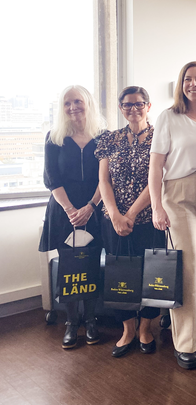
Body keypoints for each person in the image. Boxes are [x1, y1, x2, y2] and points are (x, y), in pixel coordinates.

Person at [148, 61, 196, 370]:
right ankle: (184, 344)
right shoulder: (169, 117)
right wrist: (156, 206)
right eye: (188, 79)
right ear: (182, 84)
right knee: (187, 265)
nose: (193, 84)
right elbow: (156, 167)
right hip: (179, 192)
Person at [96, 86, 166, 358]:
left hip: (149, 218)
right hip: (113, 220)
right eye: (127, 105)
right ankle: (127, 330)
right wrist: (114, 214)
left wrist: (132, 214)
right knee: (119, 275)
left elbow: (157, 179)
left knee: (151, 275)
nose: (133, 109)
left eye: (139, 104)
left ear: (149, 106)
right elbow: (104, 180)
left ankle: (146, 328)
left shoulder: (160, 137)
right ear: (120, 108)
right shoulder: (109, 139)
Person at [38, 85, 105, 349]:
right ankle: (71, 322)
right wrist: (70, 210)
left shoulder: (103, 137)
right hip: (63, 210)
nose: (72, 107)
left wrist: (90, 206)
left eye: (77, 101)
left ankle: (91, 320)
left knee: (89, 264)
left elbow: (105, 178)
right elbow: (51, 179)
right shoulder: (54, 138)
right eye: (67, 103)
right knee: (69, 267)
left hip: (95, 210)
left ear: (88, 103)